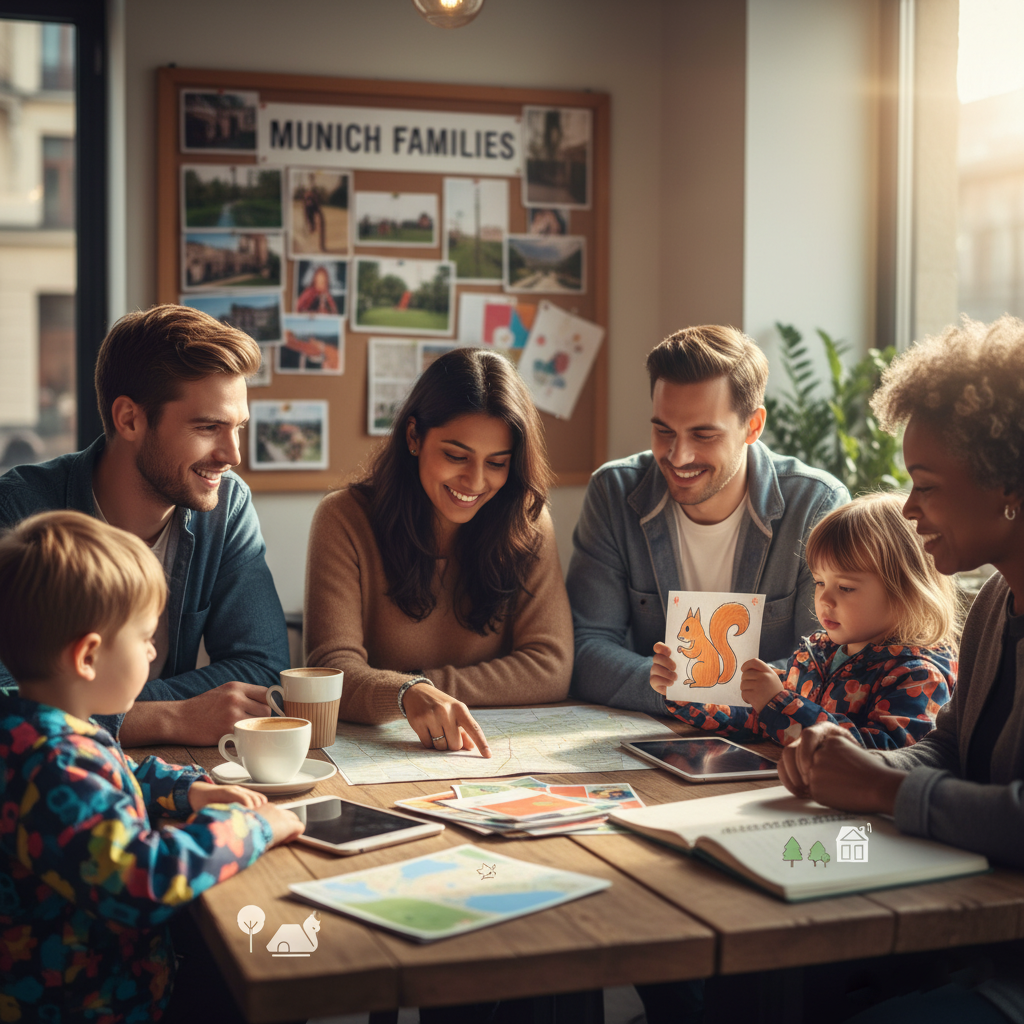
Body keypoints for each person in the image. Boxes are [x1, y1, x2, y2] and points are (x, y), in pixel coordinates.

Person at [777, 316, 1024, 1023]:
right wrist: (856, 757)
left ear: (1008, 479)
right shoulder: (995, 604)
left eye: (926, 485)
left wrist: (886, 790)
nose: (910, 509)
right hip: (971, 931)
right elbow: (951, 746)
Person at [0, 511, 303, 1022]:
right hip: (88, 1005)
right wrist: (250, 828)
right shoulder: (55, 761)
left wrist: (186, 790)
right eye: (144, 637)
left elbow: (114, 772)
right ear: (88, 657)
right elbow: (146, 877)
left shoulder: (32, 728)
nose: (153, 649)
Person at [0, 304, 290, 745]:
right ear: (129, 419)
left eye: (238, 428)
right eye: (209, 426)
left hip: (165, 773)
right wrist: (168, 718)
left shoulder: (226, 506)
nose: (232, 456)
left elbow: (261, 667)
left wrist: (90, 708)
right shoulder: (18, 511)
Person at [566, 325, 850, 716]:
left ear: (753, 426)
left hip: (771, 743)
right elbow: (586, 645)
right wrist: (661, 686)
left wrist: (692, 694)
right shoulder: (614, 493)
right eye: (663, 430)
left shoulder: (815, 505)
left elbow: (830, 662)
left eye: (703, 435)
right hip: (658, 734)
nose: (678, 456)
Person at [304, 347, 573, 755]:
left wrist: (418, 685)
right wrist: (407, 693)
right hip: (382, 755)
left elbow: (550, 666)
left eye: (497, 463)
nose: (475, 481)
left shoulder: (527, 522)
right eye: (455, 456)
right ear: (414, 436)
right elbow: (330, 671)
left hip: (491, 754)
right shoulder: (344, 518)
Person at [652, 491, 957, 749]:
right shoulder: (817, 654)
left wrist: (779, 703)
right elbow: (762, 721)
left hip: (853, 817)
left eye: (846, 587)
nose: (824, 599)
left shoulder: (918, 677)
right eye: (819, 582)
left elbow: (880, 755)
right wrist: (686, 694)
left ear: (907, 591)